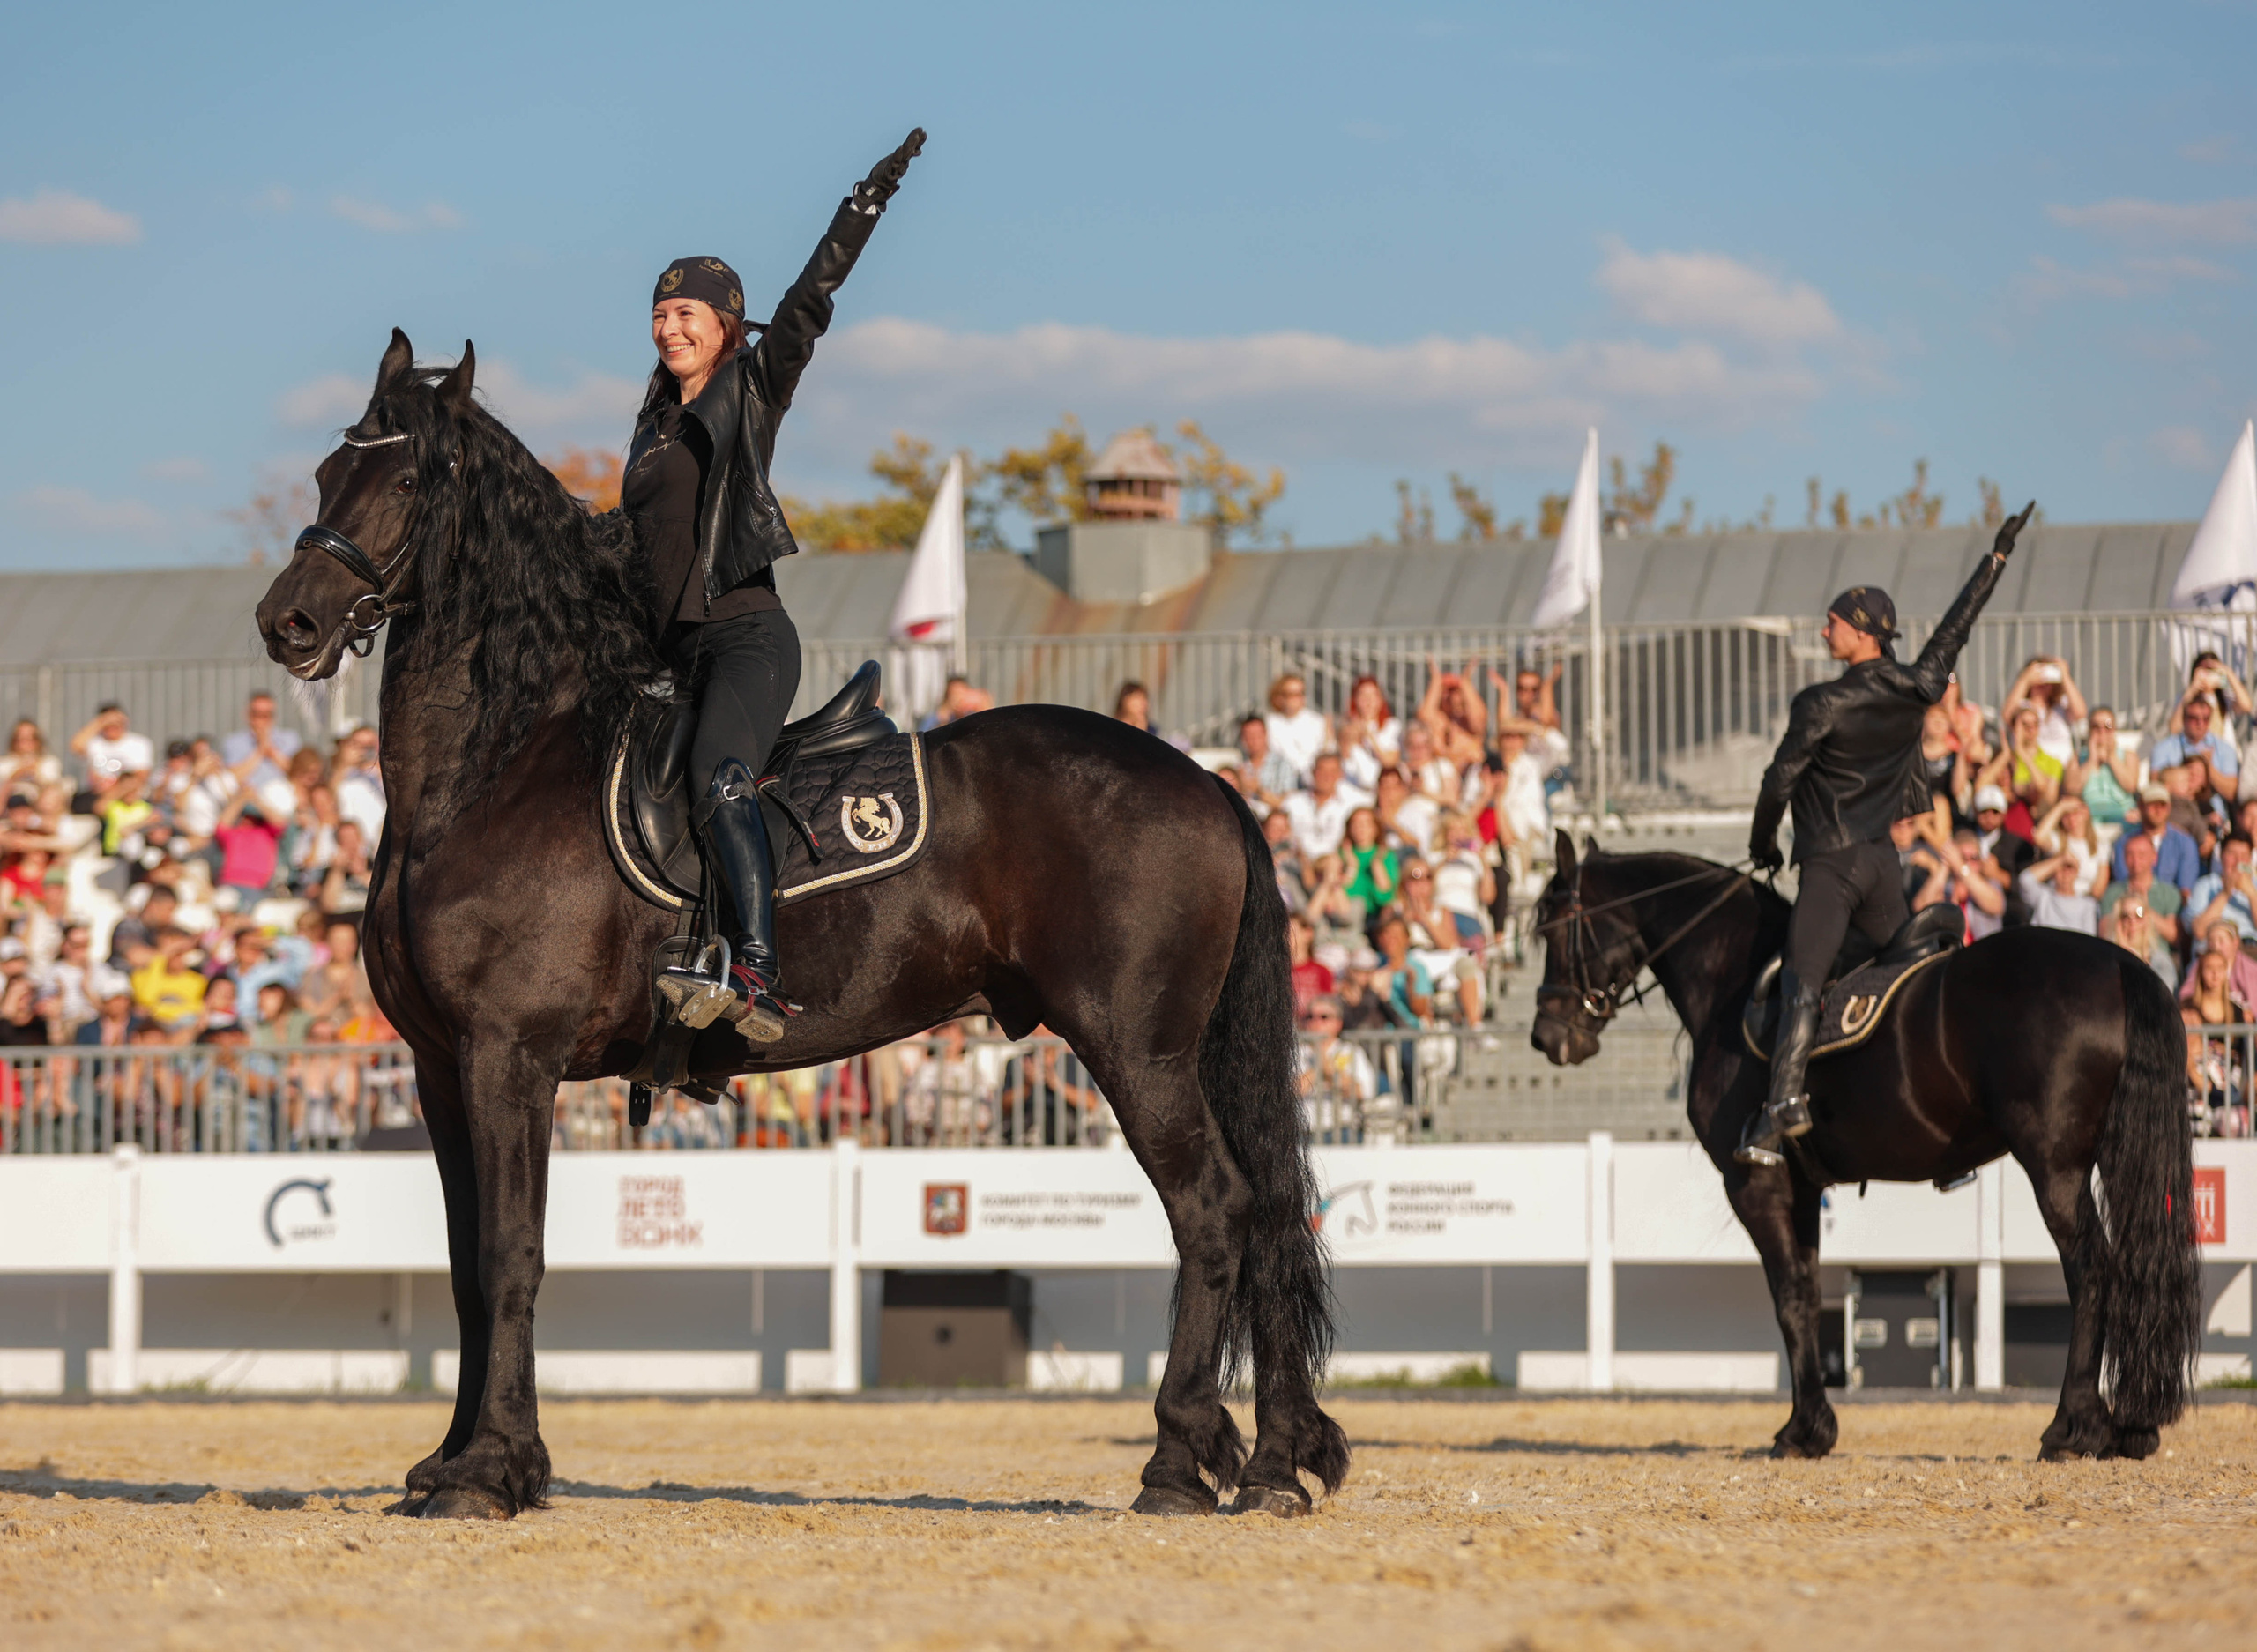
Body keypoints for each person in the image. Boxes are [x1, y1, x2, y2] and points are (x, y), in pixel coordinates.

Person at [621, 130, 923, 1043]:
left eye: (687, 313)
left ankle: (755, 969)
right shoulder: (651, 433)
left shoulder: (749, 389)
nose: (670, 327)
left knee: (719, 779)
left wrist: (860, 209)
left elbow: (807, 304)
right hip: (669, 655)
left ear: (726, 324)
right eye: (659, 314)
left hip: (745, 636)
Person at [1738, 505, 2031, 1165]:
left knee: (1803, 984)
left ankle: (1781, 1105)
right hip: (1882, 867)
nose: (1824, 629)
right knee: (1914, 989)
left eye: (1834, 622)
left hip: (1832, 866)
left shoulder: (1820, 703)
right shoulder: (1916, 687)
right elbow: (1955, 633)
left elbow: (1779, 780)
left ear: (1864, 633)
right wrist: (1996, 560)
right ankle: (1941, 1124)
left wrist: (1764, 844)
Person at [2110, 782, 2201, 897]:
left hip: (2170, 910)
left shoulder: (2186, 843)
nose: (2158, 810)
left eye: (2162, 805)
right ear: (2141, 807)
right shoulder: (2124, 842)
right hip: (2134, 907)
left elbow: (2185, 890)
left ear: (2169, 808)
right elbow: (2124, 884)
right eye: (2152, 805)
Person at [1283, 752, 1367, 860]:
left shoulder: (1352, 805)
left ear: (1341, 775)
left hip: (1335, 864)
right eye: (1322, 771)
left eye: (1332, 772)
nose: (1327, 777)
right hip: (1296, 862)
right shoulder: (1292, 803)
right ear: (1313, 772)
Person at [220, 691, 302, 795]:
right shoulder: (233, 742)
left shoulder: (290, 739)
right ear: (248, 715)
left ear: (274, 716)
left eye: (266, 715)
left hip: (282, 802)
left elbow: (298, 775)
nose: (261, 720)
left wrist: (271, 750)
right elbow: (231, 778)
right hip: (247, 803)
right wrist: (260, 750)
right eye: (257, 714)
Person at [2071, 705, 2139, 831]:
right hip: (2088, 818)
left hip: (2122, 814)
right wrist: (2092, 759)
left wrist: (2111, 757)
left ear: (2114, 729)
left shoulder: (2128, 756)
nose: (2102, 731)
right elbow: (2072, 789)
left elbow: (2130, 786)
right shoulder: (2078, 758)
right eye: (2096, 726)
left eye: (2107, 726)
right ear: (2089, 729)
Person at [2149, 692, 2240, 785]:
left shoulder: (2225, 749)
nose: (2200, 723)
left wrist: (2209, 769)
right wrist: (2183, 777)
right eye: (2194, 718)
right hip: (2176, 799)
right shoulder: (2163, 748)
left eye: (2205, 719)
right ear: (2184, 719)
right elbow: (2155, 786)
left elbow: (2232, 793)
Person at [70, 703, 153, 803]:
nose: (112, 727)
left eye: (116, 722)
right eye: (108, 724)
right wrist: (100, 722)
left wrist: (111, 795)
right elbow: (75, 746)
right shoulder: (95, 743)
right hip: (98, 794)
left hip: (129, 795)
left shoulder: (139, 743)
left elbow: (141, 776)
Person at [1336, 676, 1403, 795]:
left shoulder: (1392, 726)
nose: (1368, 701)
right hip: (1351, 787)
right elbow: (1344, 759)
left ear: (1381, 699)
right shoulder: (1346, 727)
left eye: (1373, 695)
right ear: (1355, 699)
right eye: (1363, 695)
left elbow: (1390, 761)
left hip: (1380, 790)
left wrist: (1369, 737)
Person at [2188, 833, 2257, 945]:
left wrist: (2253, 895)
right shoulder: (2204, 885)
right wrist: (2225, 894)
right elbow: (2199, 931)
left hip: (2251, 948)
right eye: (2232, 854)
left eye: (2244, 856)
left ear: (2250, 859)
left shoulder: (2255, 886)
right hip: (2215, 949)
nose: (2238, 861)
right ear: (2221, 856)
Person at [1263, 674, 1330, 787]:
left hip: (1311, 780)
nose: (1295, 699)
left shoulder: (1317, 722)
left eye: (1299, 694)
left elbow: (1324, 752)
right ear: (1279, 697)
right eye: (1290, 694)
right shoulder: (1270, 723)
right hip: (1279, 781)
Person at [2017, 852, 2100, 934]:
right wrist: (2060, 859)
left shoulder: (2088, 904)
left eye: (2070, 868)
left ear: (2076, 872)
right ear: (2053, 872)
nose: (2066, 873)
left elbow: (2089, 938)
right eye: (2062, 868)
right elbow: (2025, 880)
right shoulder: (2043, 895)